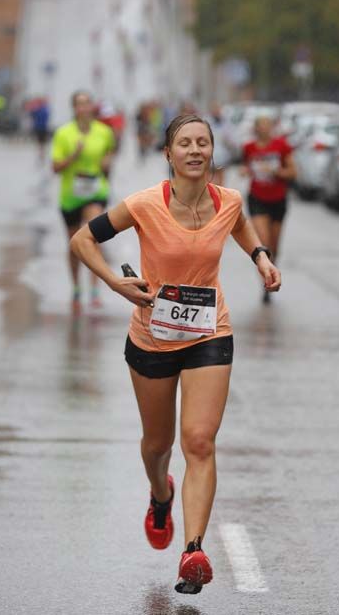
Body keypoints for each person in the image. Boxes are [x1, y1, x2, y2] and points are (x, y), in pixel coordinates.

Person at [70, 114, 281, 595]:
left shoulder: (228, 201)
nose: (194, 150)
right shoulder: (144, 204)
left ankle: (193, 551)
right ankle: (160, 493)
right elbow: (82, 239)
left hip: (210, 333)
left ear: (212, 152)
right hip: (152, 338)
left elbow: (241, 227)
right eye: (183, 143)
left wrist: (261, 257)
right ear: (168, 154)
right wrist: (113, 282)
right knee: (157, 445)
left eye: (202, 143)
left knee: (200, 442)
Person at [51, 90, 117, 313]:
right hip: (70, 196)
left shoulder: (104, 132)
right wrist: (74, 156)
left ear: (92, 107)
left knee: (92, 237)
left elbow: (109, 153)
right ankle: (77, 288)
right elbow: (55, 167)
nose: (84, 108)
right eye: (79, 104)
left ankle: (95, 289)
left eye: (87, 103)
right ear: (74, 108)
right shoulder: (63, 134)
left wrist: (107, 162)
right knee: (74, 245)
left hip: (95, 192)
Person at [240, 115, 296, 303]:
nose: (264, 129)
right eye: (261, 126)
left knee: (274, 247)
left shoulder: (281, 146)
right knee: (263, 243)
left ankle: (271, 271)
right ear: (256, 128)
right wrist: (246, 171)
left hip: (278, 199)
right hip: (257, 198)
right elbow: (246, 166)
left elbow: (293, 172)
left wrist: (276, 171)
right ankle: (266, 281)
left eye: (267, 125)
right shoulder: (249, 148)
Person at [28, 97, 51, 164]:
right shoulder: (44, 109)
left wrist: (33, 109)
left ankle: (42, 156)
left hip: (41, 128)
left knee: (41, 144)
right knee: (41, 144)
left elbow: (33, 115)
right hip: (41, 128)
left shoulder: (41, 110)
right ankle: (41, 156)